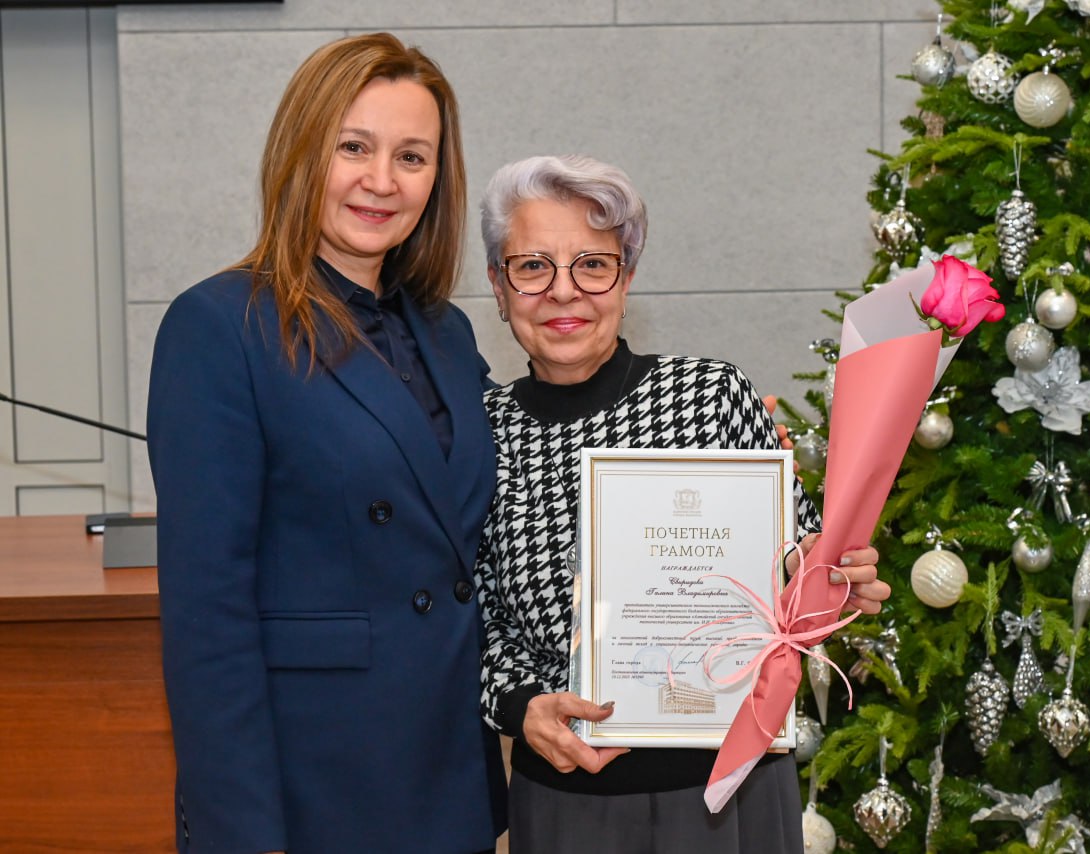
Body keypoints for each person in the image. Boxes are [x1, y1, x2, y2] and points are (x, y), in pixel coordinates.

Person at [146, 33, 504, 853]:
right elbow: (208, 616)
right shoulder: (221, 325)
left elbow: (509, 509)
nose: (382, 180)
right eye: (355, 147)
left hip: (448, 778)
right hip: (311, 792)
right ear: (303, 151)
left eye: (412, 157)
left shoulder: (446, 333)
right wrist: (243, 829)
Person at [475, 154, 891, 854]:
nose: (563, 291)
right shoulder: (477, 432)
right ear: (497, 282)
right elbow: (472, 618)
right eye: (533, 266)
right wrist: (518, 707)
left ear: (627, 278)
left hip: (735, 792)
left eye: (593, 264)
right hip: (571, 799)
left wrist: (836, 578)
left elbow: (797, 561)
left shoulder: (711, 395)